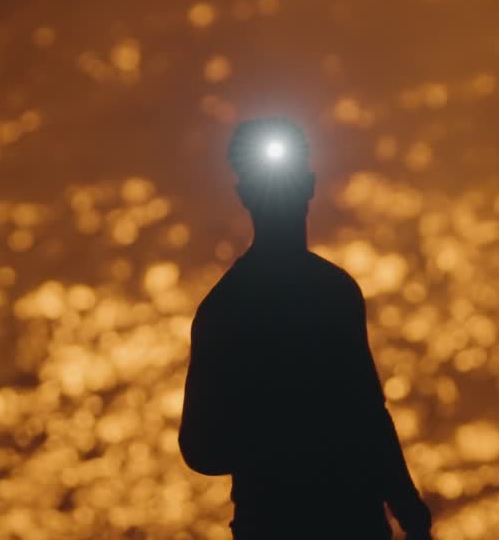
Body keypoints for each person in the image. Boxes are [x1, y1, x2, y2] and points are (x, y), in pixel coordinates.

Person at [179, 117, 432, 539]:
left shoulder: (222, 310)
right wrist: (408, 509)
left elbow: (201, 449)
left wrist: (268, 444)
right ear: (310, 185)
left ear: (244, 195)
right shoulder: (335, 294)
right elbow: (369, 418)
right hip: (351, 521)